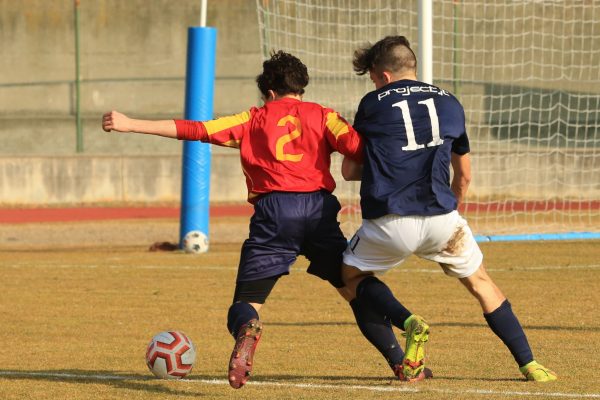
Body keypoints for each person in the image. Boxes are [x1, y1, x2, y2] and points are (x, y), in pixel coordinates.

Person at [102, 51, 427, 388]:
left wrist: (130, 123)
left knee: (245, 304)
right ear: (301, 87)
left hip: (274, 214)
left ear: (269, 93)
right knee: (354, 285)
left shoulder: (252, 119)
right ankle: (406, 335)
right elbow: (360, 150)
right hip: (319, 212)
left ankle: (247, 330)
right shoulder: (324, 116)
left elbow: (196, 129)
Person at [340, 36, 557, 382]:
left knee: (350, 276)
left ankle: (408, 321)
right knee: (482, 284)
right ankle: (531, 364)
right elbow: (465, 175)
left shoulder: (372, 104)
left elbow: (350, 172)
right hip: (442, 219)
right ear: (411, 66)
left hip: (390, 222)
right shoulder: (450, 102)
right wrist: (448, 211)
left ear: (382, 76)